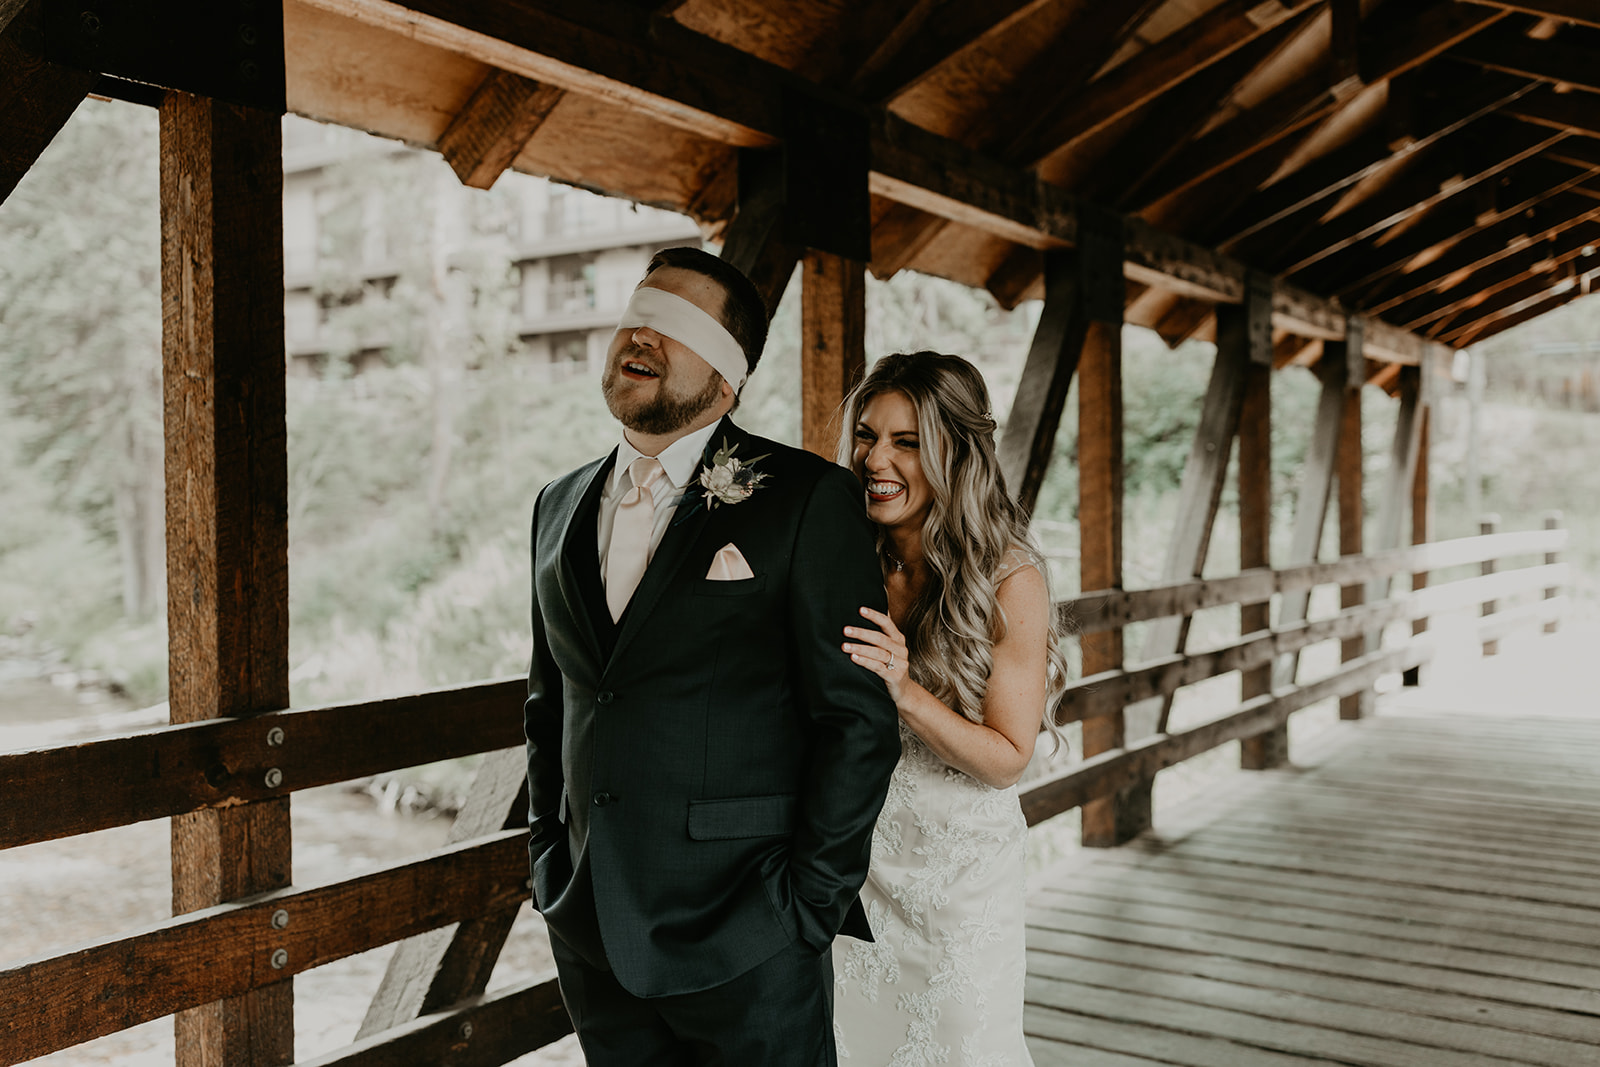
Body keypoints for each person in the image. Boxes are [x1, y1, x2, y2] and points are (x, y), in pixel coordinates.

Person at [523, 245, 901, 1066]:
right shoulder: (555, 507)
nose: (645, 336)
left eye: (678, 325)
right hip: (593, 930)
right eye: (638, 313)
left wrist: (806, 906)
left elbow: (856, 722)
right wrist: (548, 861)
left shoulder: (805, 500)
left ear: (728, 381)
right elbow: (549, 702)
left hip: (750, 937)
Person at [832, 351, 1070, 1066]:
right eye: (868, 435)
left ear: (956, 452)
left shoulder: (1009, 576)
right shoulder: (845, 554)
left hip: (958, 878)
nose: (877, 458)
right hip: (857, 870)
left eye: (907, 441)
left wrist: (905, 690)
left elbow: (1007, 758)